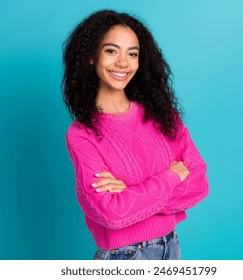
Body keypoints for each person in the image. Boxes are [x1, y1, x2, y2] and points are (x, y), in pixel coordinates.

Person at [62, 10, 209, 260]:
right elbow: (112, 214)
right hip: (124, 257)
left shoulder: (164, 116)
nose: (123, 62)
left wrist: (130, 191)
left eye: (132, 53)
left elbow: (199, 186)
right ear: (90, 57)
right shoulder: (82, 134)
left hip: (171, 248)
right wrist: (172, 175)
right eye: (111, 51)